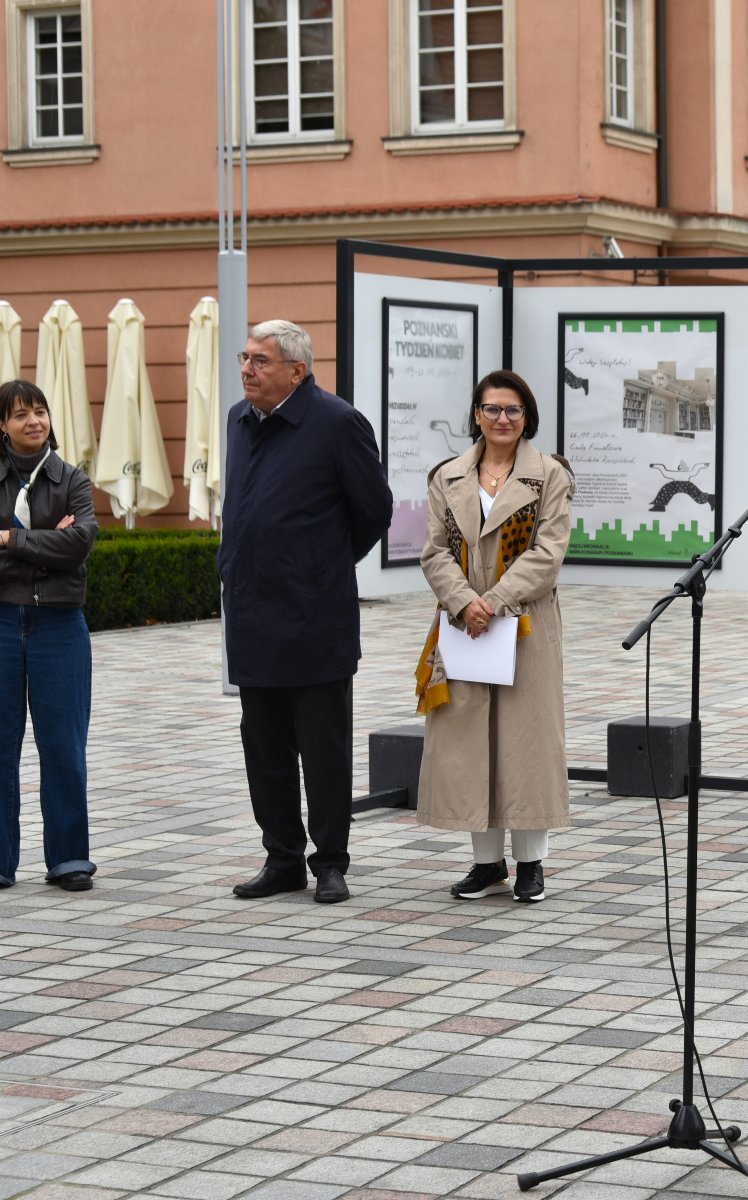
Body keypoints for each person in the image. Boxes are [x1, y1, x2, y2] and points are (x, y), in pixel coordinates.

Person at [218, 321, 392, 904]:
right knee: (262, 744)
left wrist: (321, 565)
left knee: (322, 747)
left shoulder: (337, 422)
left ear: (296, 370)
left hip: (315, 615)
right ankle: (282, 858)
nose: (247, 369)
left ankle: (332, 861)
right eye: (245, 358)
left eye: (260, 361)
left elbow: (374, 510)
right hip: (252, 612)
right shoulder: (239, 421)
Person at [413, 370, 573, 903]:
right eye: (491, 409)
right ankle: (486, 863)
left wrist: (496, 602)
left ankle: (532, 864)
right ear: (476, 414)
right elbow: (434, 550)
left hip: (524, 623)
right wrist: (465, 602)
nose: (501, 419)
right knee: (469, 741)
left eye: (512, 410)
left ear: (527, 416)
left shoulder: (549, 475)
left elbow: (548, 554)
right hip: (463, 625)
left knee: (526, 744)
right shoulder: (448, 476)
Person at [0, 380, 99, 894]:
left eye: (39, 411)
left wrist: (7, 537)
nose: (33, 421)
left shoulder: (73, 480)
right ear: (1, 425)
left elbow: (79, 544)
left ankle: (69, 859)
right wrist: (44, 542)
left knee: (63, 745)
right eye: (20, 414)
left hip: (60, 626)